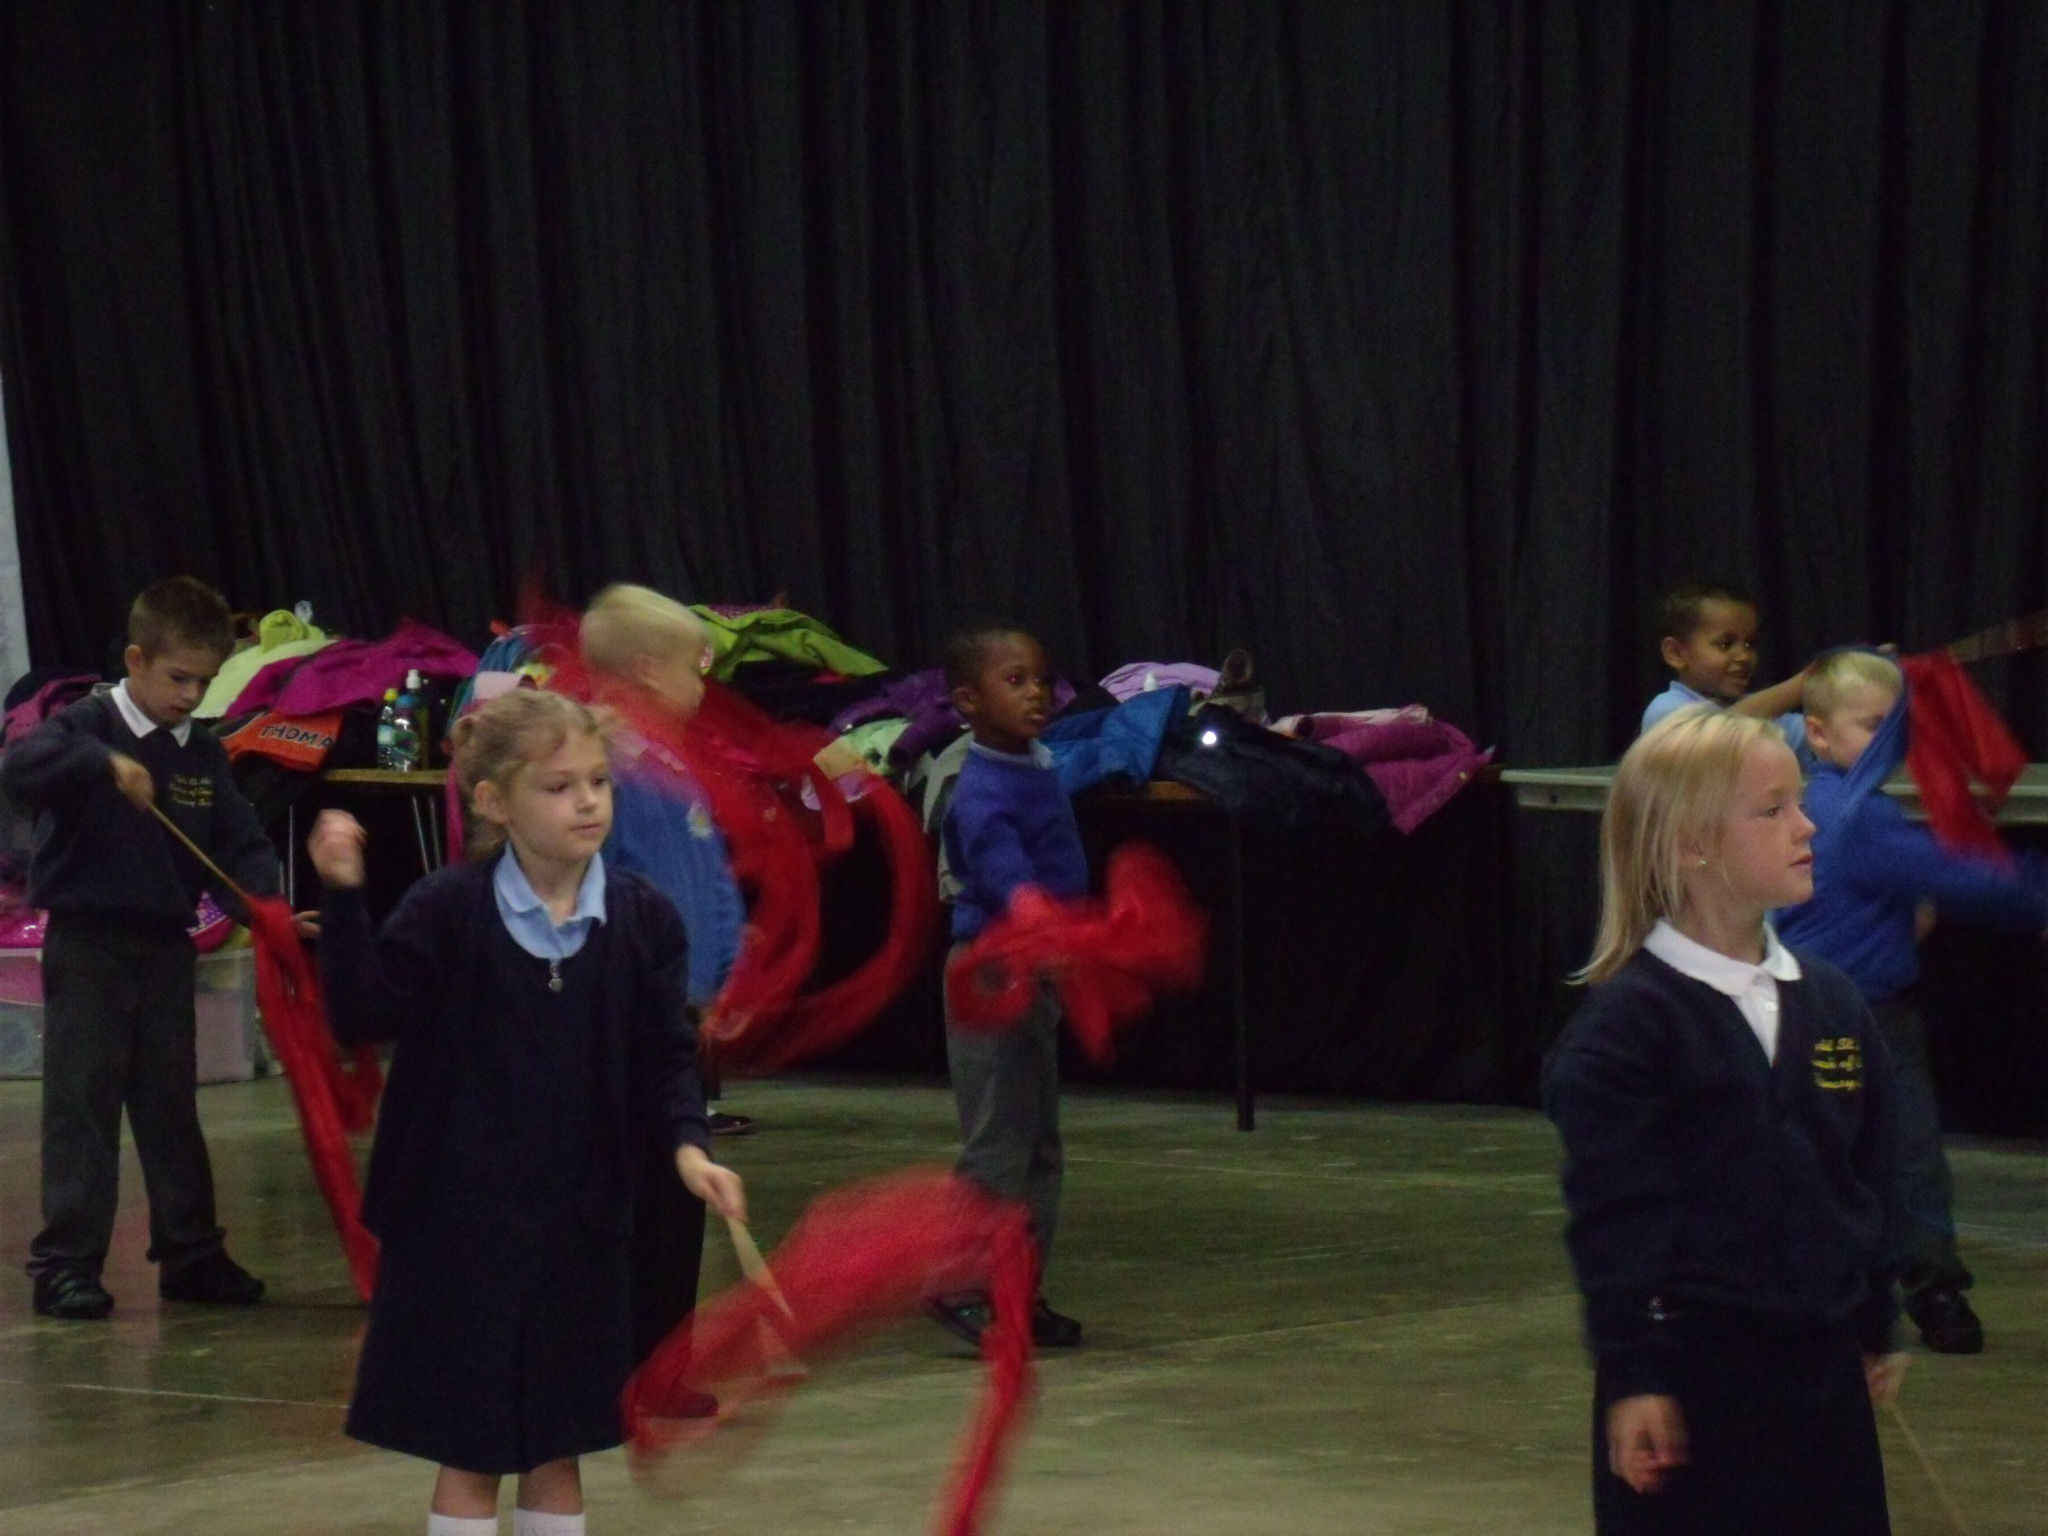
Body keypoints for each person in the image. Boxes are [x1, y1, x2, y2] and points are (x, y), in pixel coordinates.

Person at [309, 689, 745, 1536]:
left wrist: (689, 1148)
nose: (587, 802)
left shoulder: (643, 918)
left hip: (579, 1228)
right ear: (493, 802)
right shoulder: (447, 910)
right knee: (468, 1450)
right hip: (458, 1227)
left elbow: (665, 1055)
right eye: (557, 787)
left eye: (596, 783)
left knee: (558, 1446)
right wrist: (344, 895)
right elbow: (362, 1012)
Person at [1545, 705, 1904, 1534]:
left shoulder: (1831, 1000)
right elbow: (1614, 1216)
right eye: (1772, 811)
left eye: (1801, 802)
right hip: (1694, 1383)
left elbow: (1869, 1167)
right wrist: (1634, 1371)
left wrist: (1873, 1314)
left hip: (1822, 1373)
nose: (1806, 825)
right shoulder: (1629, 1027)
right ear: (1691, 844)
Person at [4, 576, 278, 1320]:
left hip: (165, 949)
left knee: (169, 1107)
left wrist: (268, 904)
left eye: (205, 681)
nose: (190, 696)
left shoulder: (204, 755)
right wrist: (100, 764)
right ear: (135, 658)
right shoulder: (87, 725)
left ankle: (191, 1253)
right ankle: (66, 1264)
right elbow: (20, 769)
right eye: (177, 678)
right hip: (89, 946)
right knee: (82, 1108)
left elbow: (240, 846)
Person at [1777, 648, 2048, 1355]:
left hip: (1825, 1010)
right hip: (1848, 1017)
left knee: (1844, 1153)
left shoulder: (1813, 803)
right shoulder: (1854, 816)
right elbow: (1972, 880)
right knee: (1904, 1159)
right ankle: (1932, 1290)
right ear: (1819, 734)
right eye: (1873, 726)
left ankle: (1827, 1290)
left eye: (1896, 727)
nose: (1890, 744)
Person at [579, 582, 749, 1366]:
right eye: (694, 668)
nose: (701, 685)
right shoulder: (595, 771)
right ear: (647, 669)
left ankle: (660, 1361)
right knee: (620, 1192)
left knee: (679, 1193)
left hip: (677, 1012)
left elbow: (711, 878)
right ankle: (611, 1354)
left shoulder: (675, 765)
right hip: (616, 1016)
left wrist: (721, 983)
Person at [924, 625, 1087, 1351]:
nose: (1036, 694)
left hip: (1032, 970)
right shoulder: (980, 787)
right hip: (993, 971)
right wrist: (1032, 915)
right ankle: (961, 1287)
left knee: (1038, 1147)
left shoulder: (1035, 766)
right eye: (1014, 680)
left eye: (1042, 680)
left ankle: (1018, 1290)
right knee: (999, 1143)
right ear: (966, 700)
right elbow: (1000, 868)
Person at [1639, 580, 1811, 761]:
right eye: (1725, 644)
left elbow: (1823, 737)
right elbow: (1719, 736)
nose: (1744, 656)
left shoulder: (1767, 715)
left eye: (1749, 644)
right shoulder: (1665, 709)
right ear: (1676, 653)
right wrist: (1803, 684)